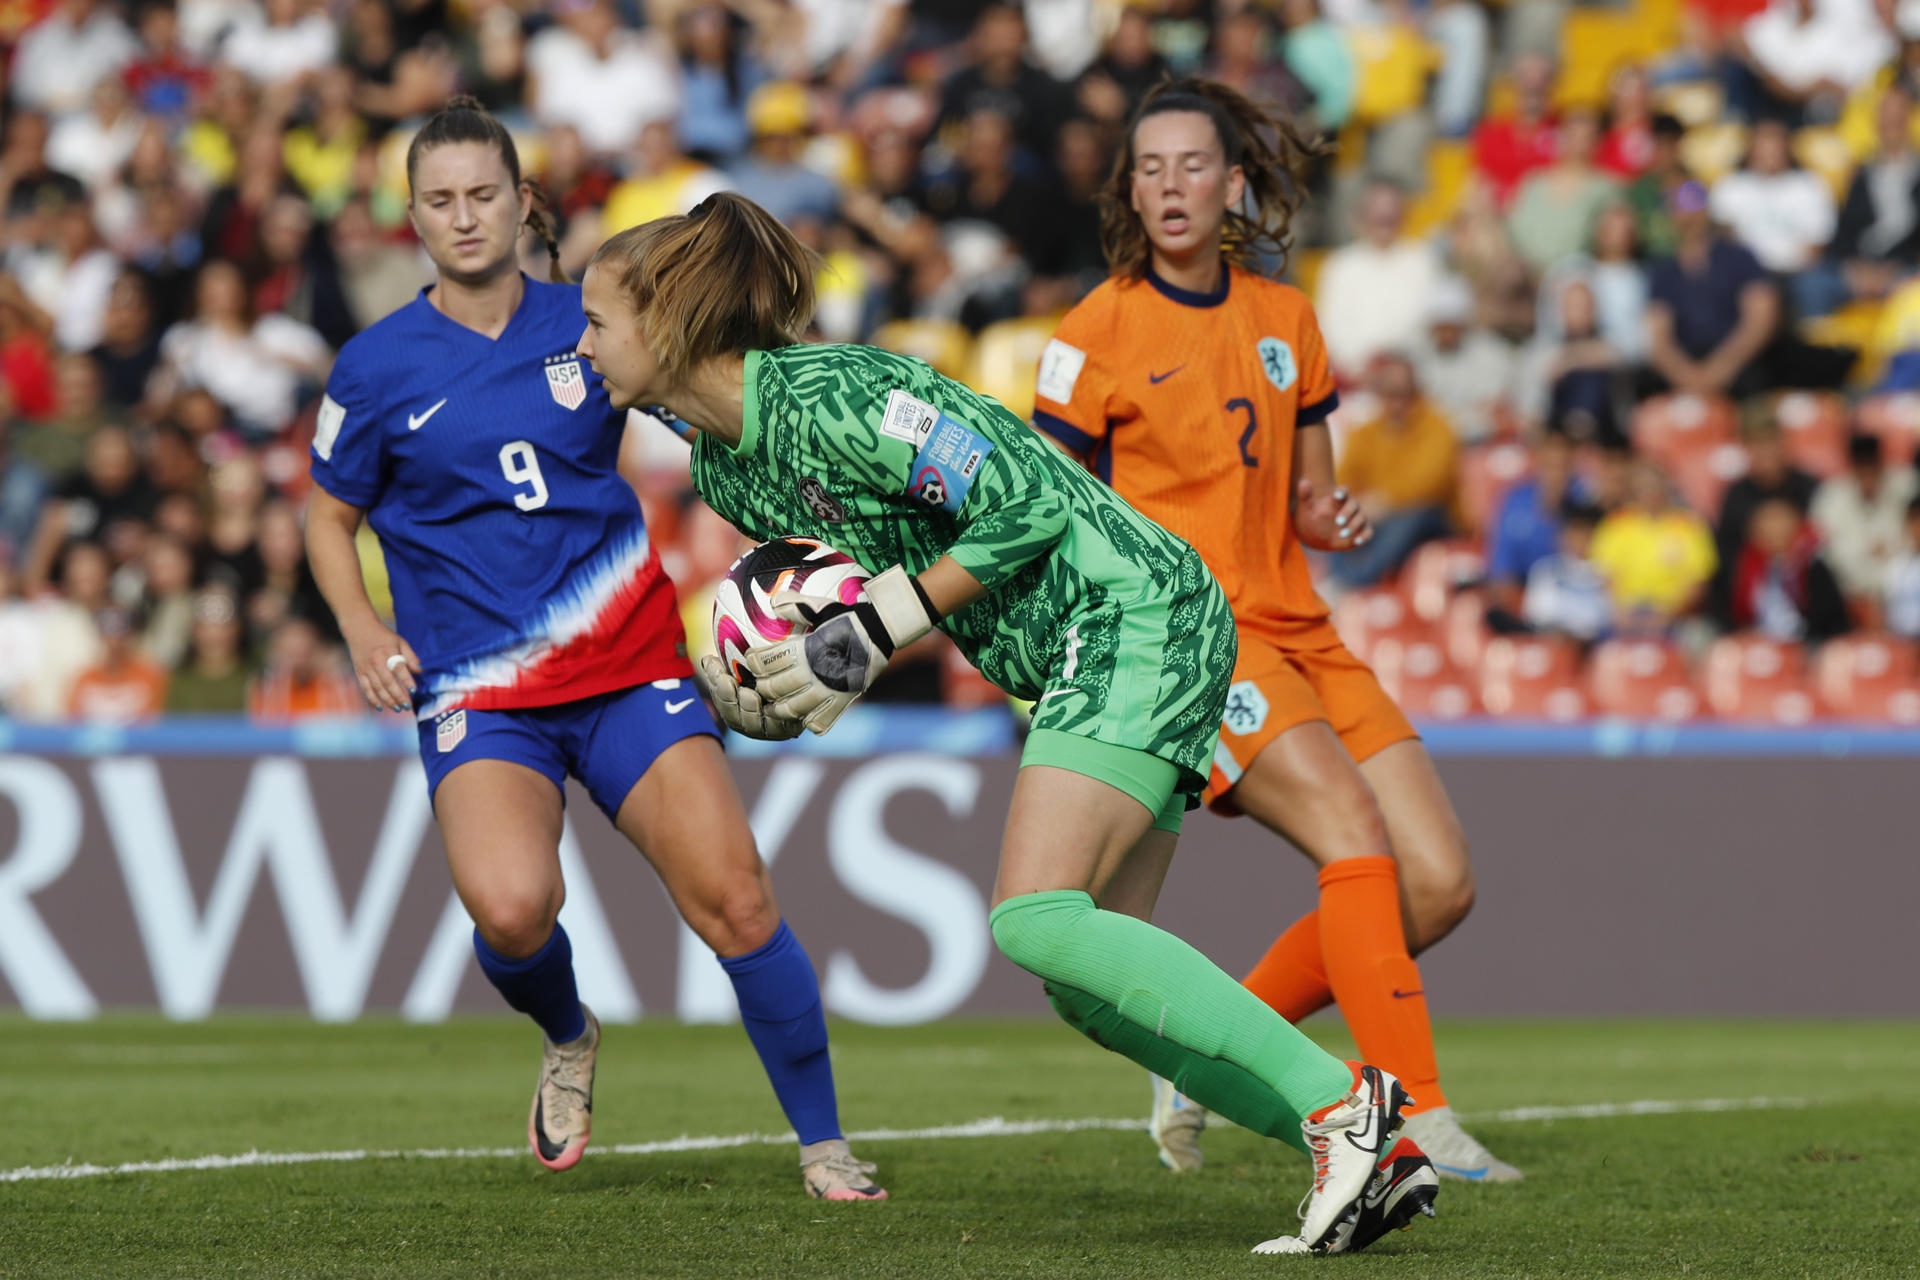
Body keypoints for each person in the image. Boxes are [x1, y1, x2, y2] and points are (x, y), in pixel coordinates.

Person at [581, 189, 1432, 1255]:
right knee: (1087, 986)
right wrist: (793, 660)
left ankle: (1343, 1107)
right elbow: (880, 580)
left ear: (665, 324)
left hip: (1130, 604)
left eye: (596, 321)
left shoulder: (841, 394)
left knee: (1033, 915)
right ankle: (1365, 1144)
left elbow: (1027, 505)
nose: (582, 346)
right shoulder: (721, 467)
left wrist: (875, 629)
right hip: (1089, 637)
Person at [302, 99, 883, 1200]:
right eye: (439, 199)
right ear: (409, 215)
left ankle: (824, 1141)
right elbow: (325, 513)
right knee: (514, 909)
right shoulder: (374, 367)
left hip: (631, 666)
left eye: (485, 194)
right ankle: (567, 1031)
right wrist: (364, 627)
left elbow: (718, 409)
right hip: (482, 688)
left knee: (739, 900)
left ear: (525, 202)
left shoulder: (595, 319)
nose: (464, 217)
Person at [1028, 77, 1512, 1187]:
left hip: (1305, 623)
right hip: (1201, 638)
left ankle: (1206, 1045)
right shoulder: (1095, 328)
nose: (1169, 187)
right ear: (1130, 191)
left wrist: (1330, 516)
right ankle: (1416, 1117)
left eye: (1192, 164)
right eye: (1148, 169)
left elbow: (1311, 497)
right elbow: (1046, 506)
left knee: (1437, 883)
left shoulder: (1287, 320)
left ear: (1235, 182)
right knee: (1353, 832)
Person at [1329, 353, 1460, 589]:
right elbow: (1343, 479)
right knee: (1336, 517)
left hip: (1430, 516)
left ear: (1417, 392)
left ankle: (1357, 583)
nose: (1398, 402)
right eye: (1390, 393)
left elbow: (1431, 483)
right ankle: (1337, 580)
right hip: (1376, 513)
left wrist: (1385, 500)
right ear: (1379, 394)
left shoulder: (1438, 426)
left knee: (1407, 521)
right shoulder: (1365, 433)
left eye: (1404, 393)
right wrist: (1359, 503)